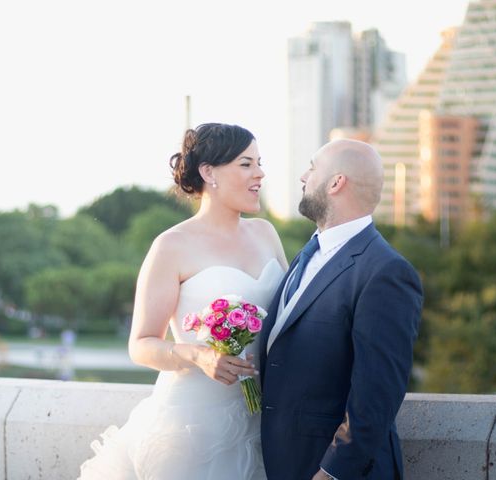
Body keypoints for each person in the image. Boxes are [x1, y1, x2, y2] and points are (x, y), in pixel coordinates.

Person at [78, 123, 287, 479]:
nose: (260, 173)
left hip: (264, 420)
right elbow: (141, 345)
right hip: (193, 426)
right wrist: (199, 355)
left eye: (259, 163)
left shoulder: (265, 233)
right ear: (209, 172)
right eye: (246, 164)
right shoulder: (171, 246)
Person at [259, 139, 423, 480]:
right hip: (283, 461)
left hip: (333, 470)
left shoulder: (386, 272)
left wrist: (332, 472)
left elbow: (377, 394)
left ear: (336, 183)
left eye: (312, 167)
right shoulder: (308, 252)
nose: (303, 176)